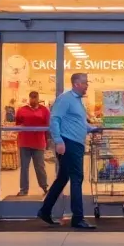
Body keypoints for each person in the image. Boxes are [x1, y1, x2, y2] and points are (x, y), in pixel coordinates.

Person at [39, 73, 99, 230]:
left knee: (63, 178)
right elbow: (55, 119)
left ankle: (45, 210)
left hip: (75, 144)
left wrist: (92, 129)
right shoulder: (65, 99)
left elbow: (79, 122)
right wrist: (58, 141)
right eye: (85, 83)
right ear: (76, 83)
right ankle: (78, 218)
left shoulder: (78, 101)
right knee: (77, 178)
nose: (87, 85)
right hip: (68, 143)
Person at [15, 91, 51, 196]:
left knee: (39, 166)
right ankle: (23, 189)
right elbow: (17, 124)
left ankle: (45, 187)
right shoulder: (21, 110)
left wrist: (48, 141)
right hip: (24, 142)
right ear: (29, 98)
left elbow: (48, 125)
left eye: (35, 98)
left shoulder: (44, 110)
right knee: (24, 167)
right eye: (31, 97)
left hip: (39, 142)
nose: (33, 100)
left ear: (38, 98)